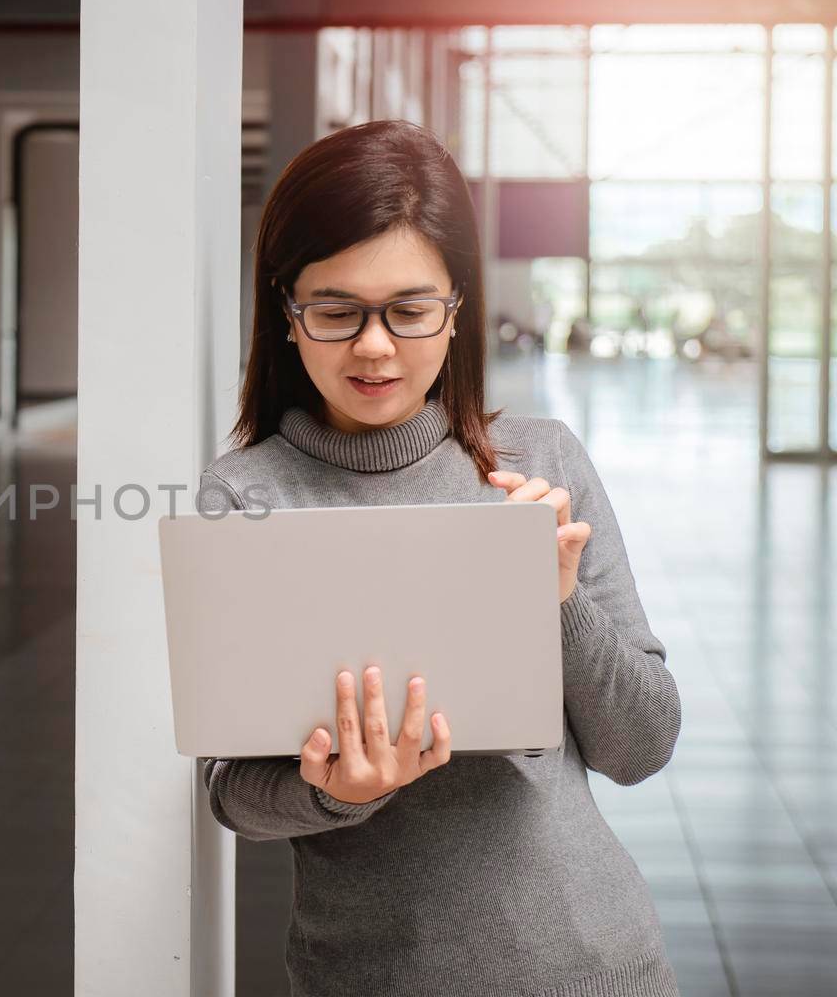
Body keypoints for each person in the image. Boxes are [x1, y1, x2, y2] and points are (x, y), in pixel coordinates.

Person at [197, 120, 682, 997]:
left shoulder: (543, 461)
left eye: (410, 310)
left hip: (590, 963)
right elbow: (230, 792)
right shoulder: (247, 496)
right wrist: (340, 793)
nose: (374, 346)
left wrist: (561, 604)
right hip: (370, 976)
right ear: (287, 313)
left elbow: (642, 745)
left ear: (457, 310)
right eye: (336, 311)